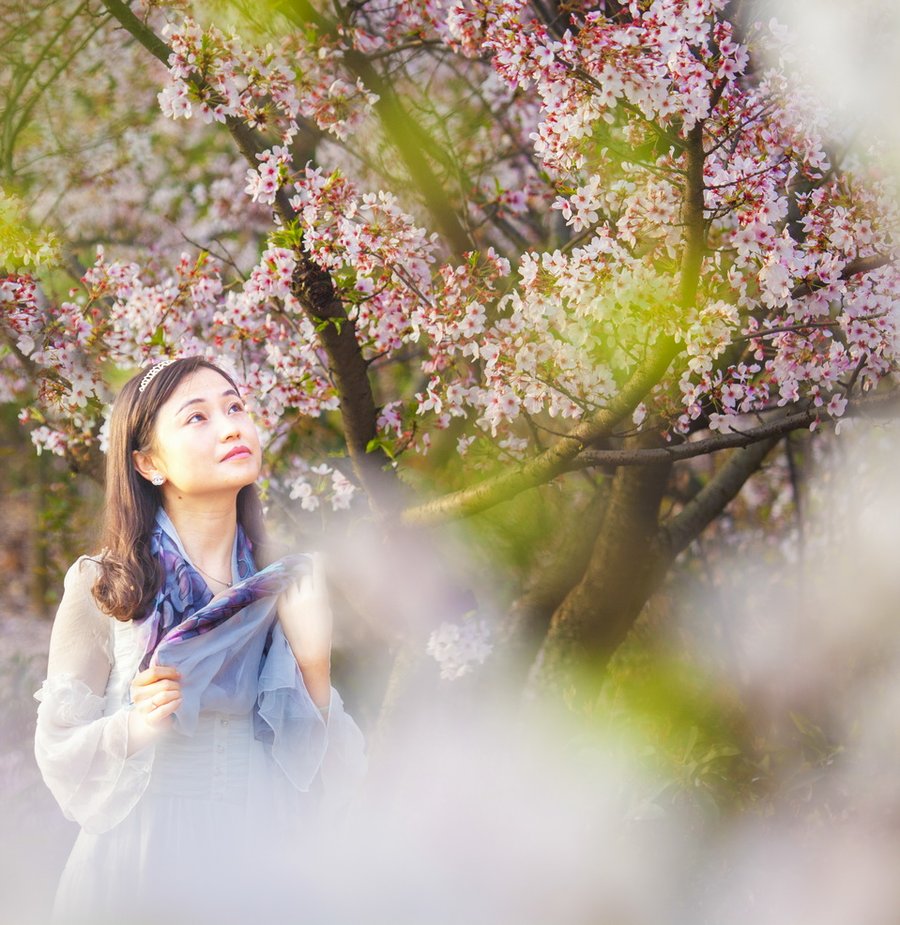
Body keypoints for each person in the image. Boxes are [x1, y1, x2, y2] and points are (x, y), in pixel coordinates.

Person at [34, 357, 366, 925]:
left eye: (235, 407)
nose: (233, 426)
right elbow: (59, 749)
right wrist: (136, 724)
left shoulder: (285, 586)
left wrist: (314, 664)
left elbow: (330, 775)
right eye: (198, 417)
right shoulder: (105, 584)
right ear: (148, 462)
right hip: (140, 859)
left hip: (257, 853)